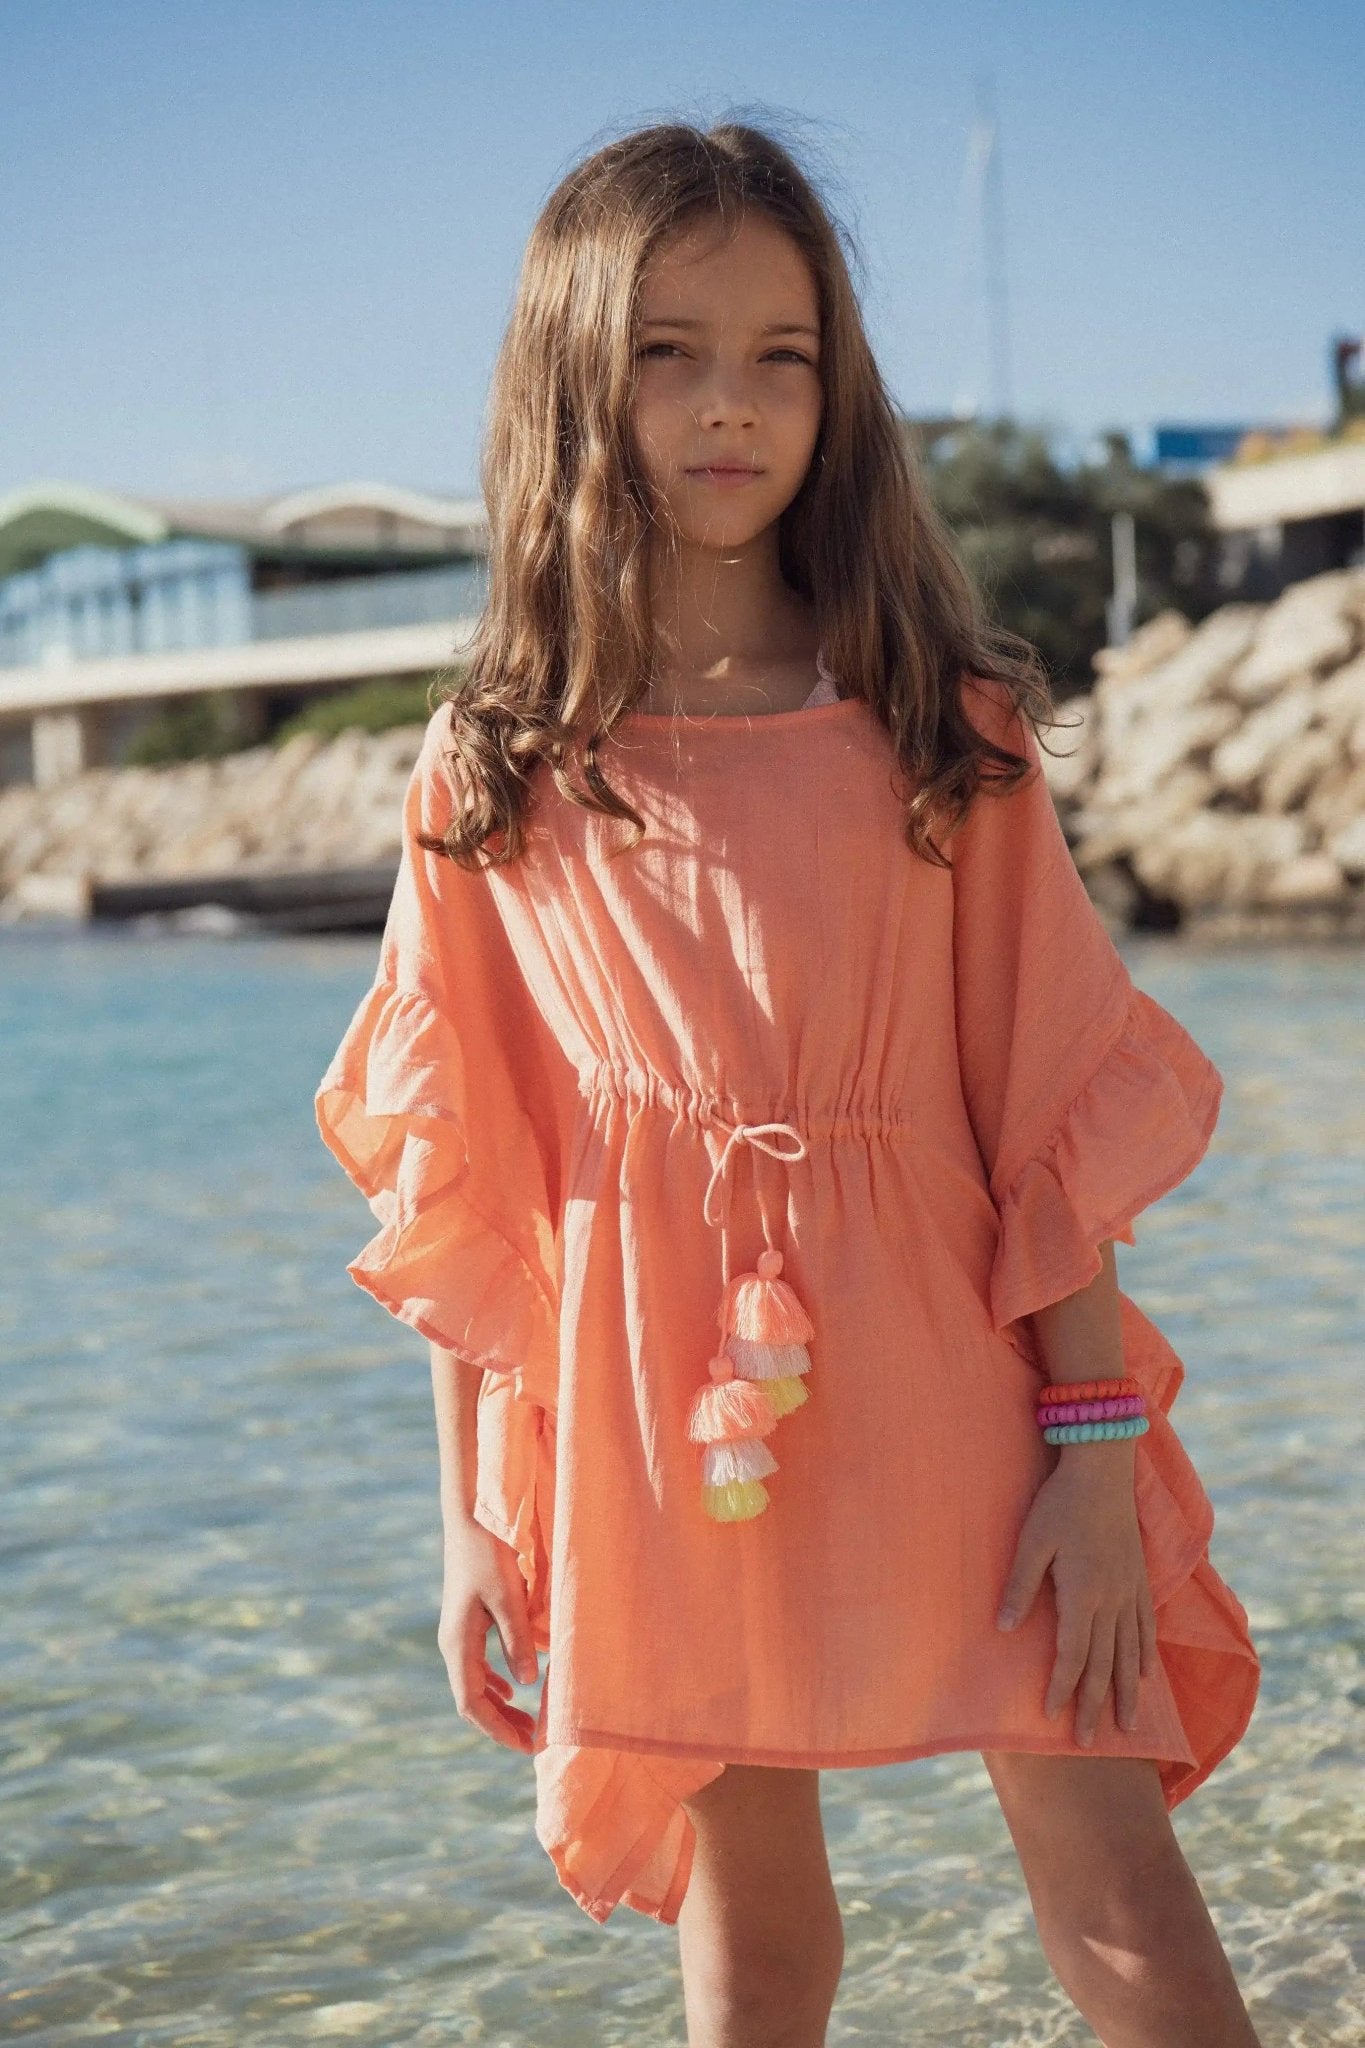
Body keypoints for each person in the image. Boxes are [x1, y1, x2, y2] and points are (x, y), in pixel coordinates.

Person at [314, 120, 1263, 2048]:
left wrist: (1092, 1447)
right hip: (668, 1426)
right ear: (574, 371)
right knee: (756, 1955)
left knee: (1126, 1914)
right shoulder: (493, 766)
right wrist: (470, 1527)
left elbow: (1044, 1109)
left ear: (840, 388)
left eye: (781, 354)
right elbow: (464, 1183)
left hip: (966, 1388)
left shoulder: (937, 723)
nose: (728, 406)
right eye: (667, 350)